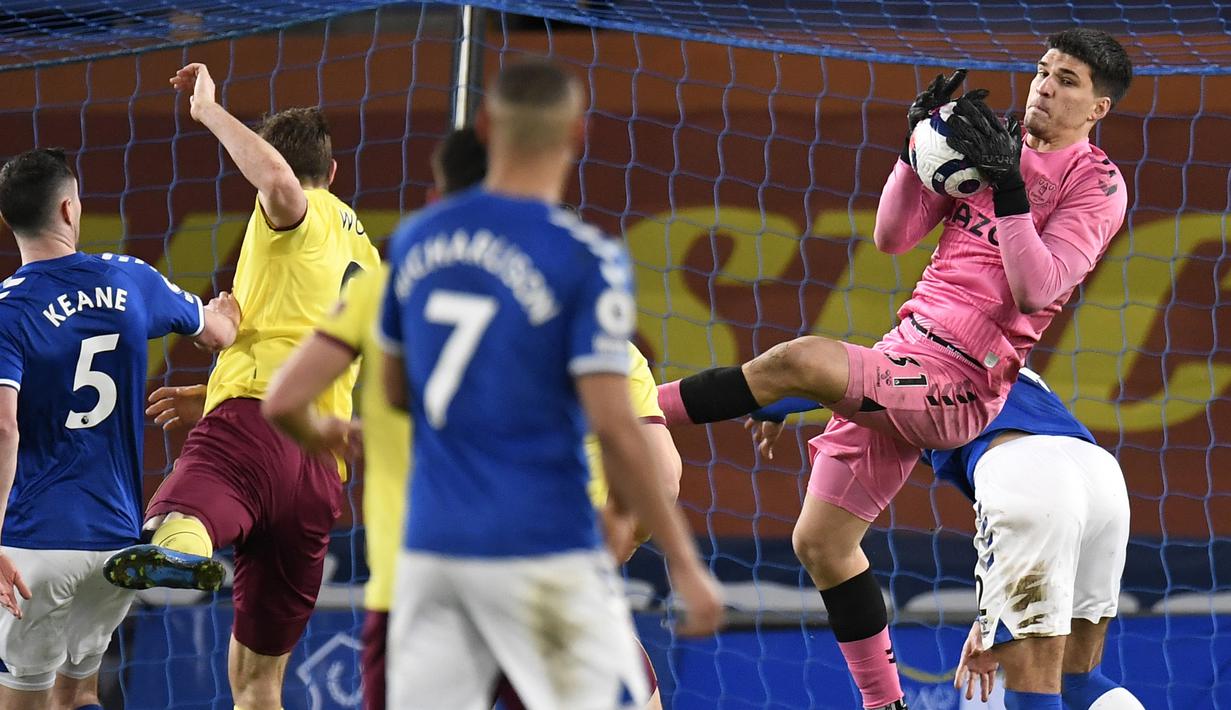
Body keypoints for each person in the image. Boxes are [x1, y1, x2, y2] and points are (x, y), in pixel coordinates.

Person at [655, 28, 1132, 709]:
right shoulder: (986, 146)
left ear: (1096, 109)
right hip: (907, 349)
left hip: (963, 382)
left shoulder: (1097, 184)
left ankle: (631, 409)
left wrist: (1006, 188)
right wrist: (914, 155)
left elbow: (1036, 286)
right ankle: (886, 705)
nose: (1045, 88)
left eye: (1067, 81)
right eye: (1042, 72)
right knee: (819, 542)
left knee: (798, 359)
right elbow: (891, 237)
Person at [379, 58, 723, 709]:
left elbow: (396, 393)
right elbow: (625, 435)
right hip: (543, 550)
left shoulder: (416, 242)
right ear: (577, 134)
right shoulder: (583, 259)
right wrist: (682, 561)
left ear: (483, 127)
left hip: (434, 545)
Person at [102, 62, 380, 710]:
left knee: (178, 515)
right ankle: (182, 550)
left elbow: (280, 183)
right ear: (335, 171)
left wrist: (206, 110)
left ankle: (177, 552)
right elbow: (320, 344)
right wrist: (213, 388)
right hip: (318, 466)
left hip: (255, 428)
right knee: (259, 685)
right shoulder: (367, 256)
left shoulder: (295, 213)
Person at [752, 368, 1146, 709]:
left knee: (1033, 690)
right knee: (1078, 680)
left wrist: (770, 405)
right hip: (1101, 476)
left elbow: (834, 376)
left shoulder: (919, 357)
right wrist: (989, 614)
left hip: (1024, 473)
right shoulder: (1001, 359)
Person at [0, 148, 238, 710]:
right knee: (80, 691)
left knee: (24, 697)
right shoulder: (131, 279)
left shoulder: (8, 310)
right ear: (69, 208)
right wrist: (227, 308)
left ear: (10, 220)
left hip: (36, 539)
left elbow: (5, 429)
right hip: (115, 537)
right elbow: (219, 333)